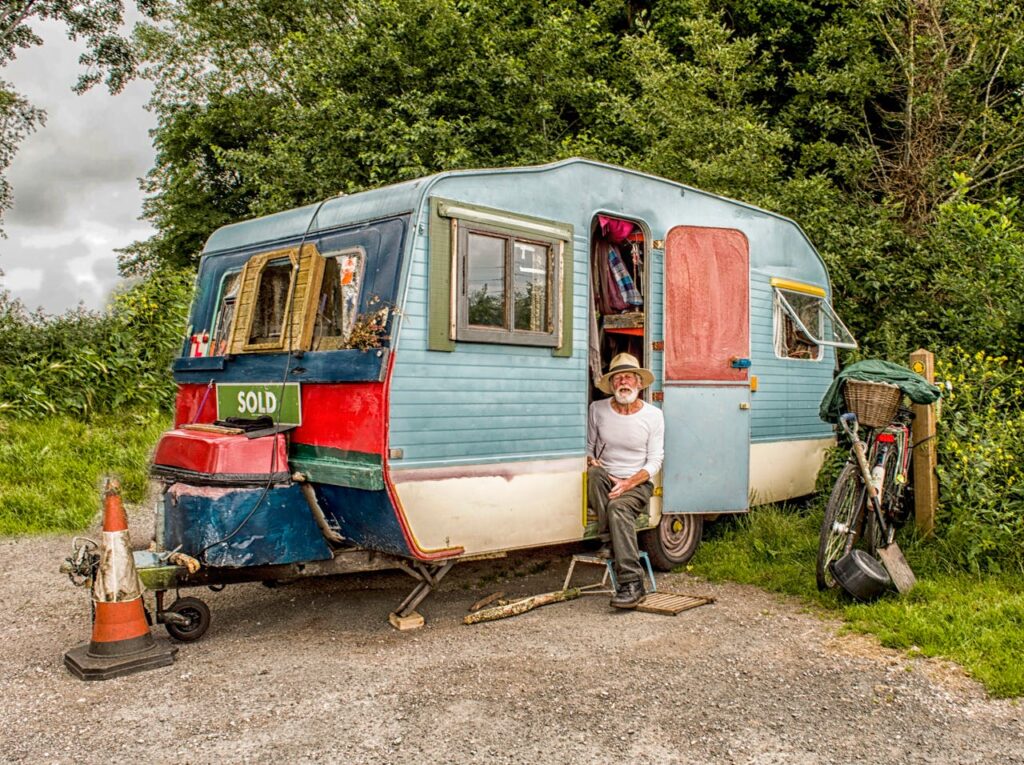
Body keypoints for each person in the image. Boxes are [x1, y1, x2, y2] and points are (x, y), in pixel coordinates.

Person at [587, 352, 665, 609]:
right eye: (618, 378)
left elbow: (655, 461)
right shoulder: (597, 409)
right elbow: (588, 447)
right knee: (594, 475)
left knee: (618, 507)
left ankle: (632, 583)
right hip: (606, 479)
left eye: (629, 377)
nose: (623, 382)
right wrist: (592, 461)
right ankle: (610, 541)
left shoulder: (653, 415)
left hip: (638, 484)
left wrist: (629, 483)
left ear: (639, 383)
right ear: (611, 385)